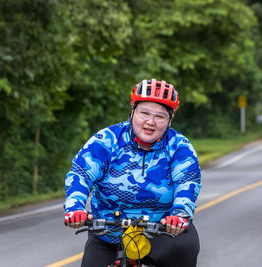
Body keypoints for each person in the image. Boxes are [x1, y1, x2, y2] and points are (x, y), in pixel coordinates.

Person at [64, 79, 202, 267]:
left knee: (184, 249)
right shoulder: (106, 140)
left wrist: (180, 214)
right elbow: (80, 174)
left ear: (170, 119)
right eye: (144, 113)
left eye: (160, 116)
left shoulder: (179, 147)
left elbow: (187, 183)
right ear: (132, 111)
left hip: (162, 233)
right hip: (108, 234)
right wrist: (75, 207)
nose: (150, 122)